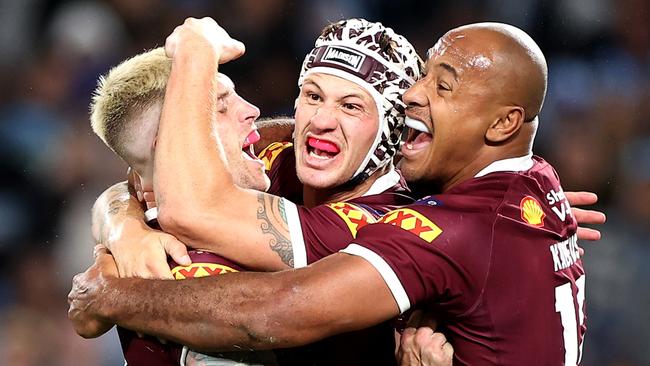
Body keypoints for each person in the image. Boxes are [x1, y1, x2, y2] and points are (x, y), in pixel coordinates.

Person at [70, 20, 599, 365]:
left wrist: (111, 297)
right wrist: (122, 218)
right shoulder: (278, 160)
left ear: (387, 128)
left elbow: (273, 312)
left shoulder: (408, 218)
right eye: (312, 96)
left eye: (352, 106)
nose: (320, 122)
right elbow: (154, 174)